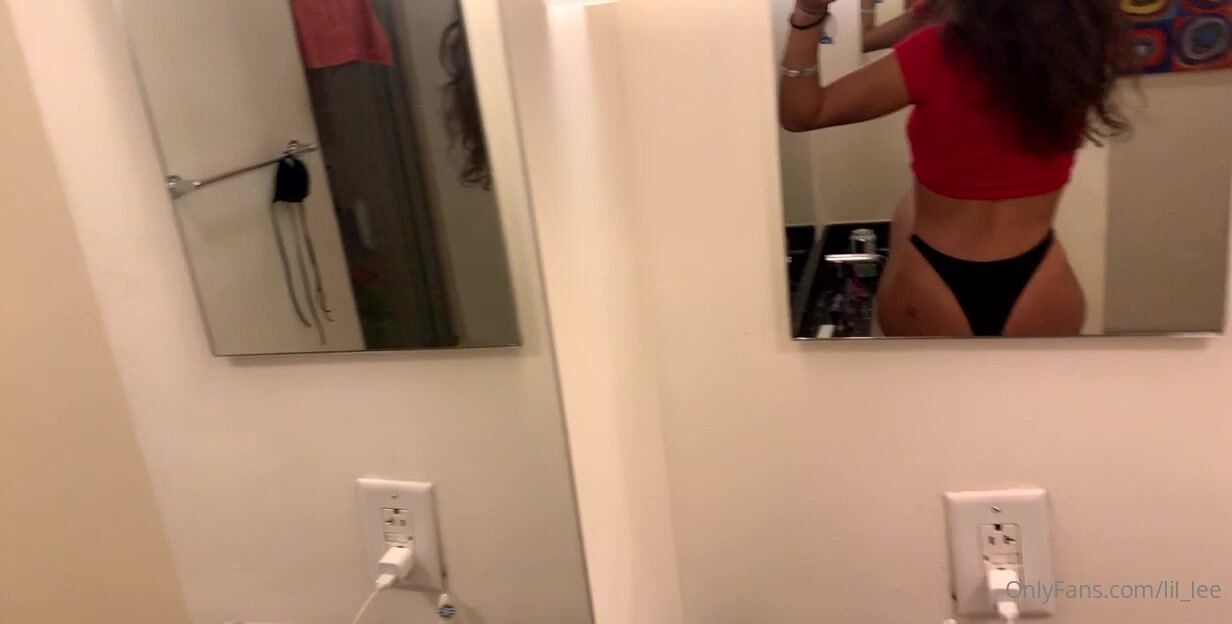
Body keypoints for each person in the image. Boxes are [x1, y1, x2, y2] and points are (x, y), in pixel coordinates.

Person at [780, 0, 1130, 337]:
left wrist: (809, 12)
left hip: (930, 284)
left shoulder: (938, 51)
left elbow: (804, 112)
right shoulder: (1080, 53)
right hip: (1042, 284)